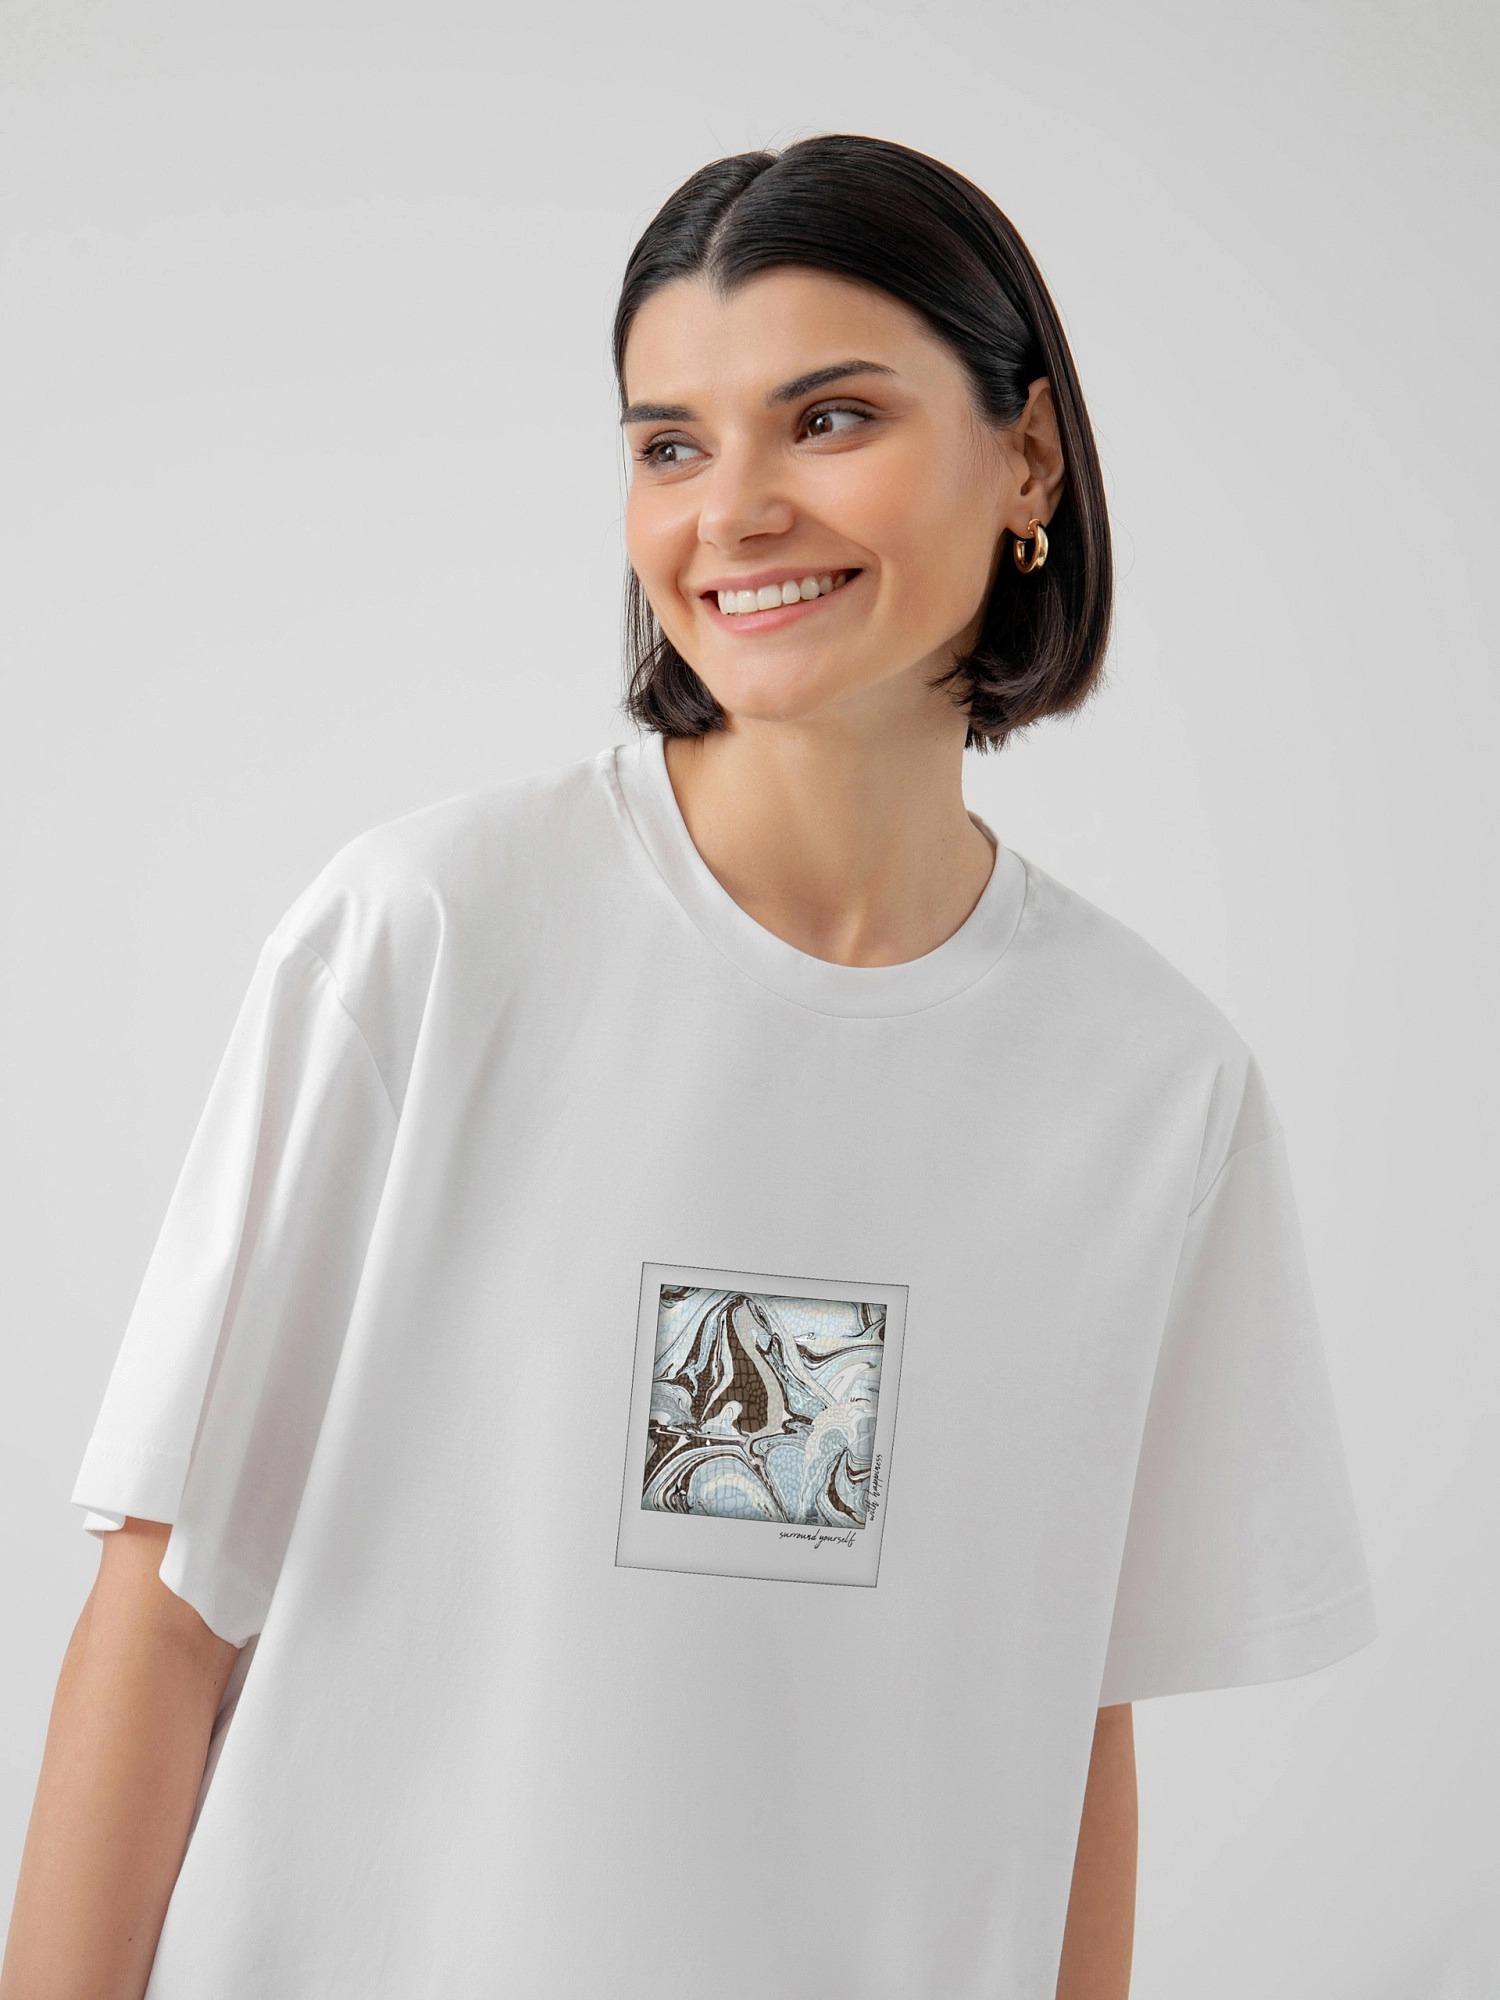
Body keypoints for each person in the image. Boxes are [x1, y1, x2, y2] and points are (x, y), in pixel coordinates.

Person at [1, 132, 1378, 2000]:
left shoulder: (1153, 1088)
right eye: (670, 444)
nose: (733, 510)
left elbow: (1070, 1724)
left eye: (830, 418)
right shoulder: (429, 939)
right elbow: (166, 1617)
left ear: (1030, 458)